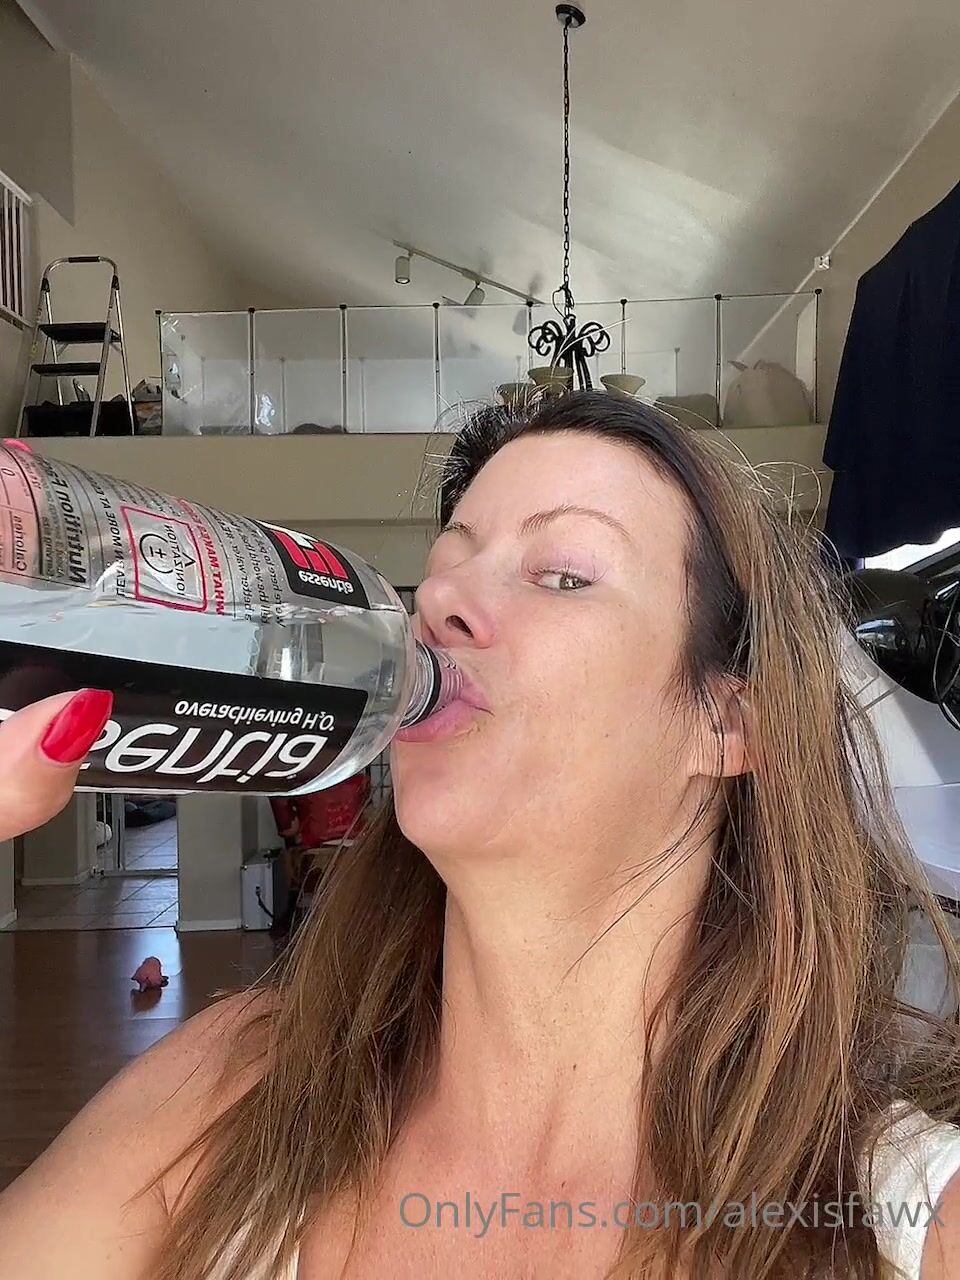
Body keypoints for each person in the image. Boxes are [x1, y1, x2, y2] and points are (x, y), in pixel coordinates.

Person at [2, 390, 960, 1279]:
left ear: (728, 721)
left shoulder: (904, 1215)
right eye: (444, 563)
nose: (436, 602)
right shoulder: (225, 1092)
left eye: (562, 576)